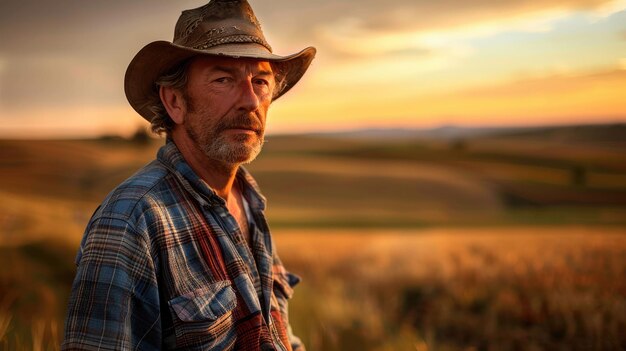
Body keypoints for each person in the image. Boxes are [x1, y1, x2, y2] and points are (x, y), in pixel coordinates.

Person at [61, 0, 315, 350]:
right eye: (223, 79)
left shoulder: (248, 201)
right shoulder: (132, 220)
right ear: (175, 102)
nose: (250, 101)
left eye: (260, 81)